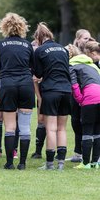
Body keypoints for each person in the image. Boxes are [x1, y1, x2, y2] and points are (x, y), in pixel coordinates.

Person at [0, 12, 35, 170]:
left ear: (4, 26)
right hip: (26, 85)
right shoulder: (27, 45)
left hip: (8, 85)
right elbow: (33, 68)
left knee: (10, 127)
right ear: (22, 27)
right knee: (24, 127)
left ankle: (9, 163)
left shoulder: (0, 45)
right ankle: (23, 163)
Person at [33, 22, 71, 170]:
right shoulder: (63, 49)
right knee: (62, 128)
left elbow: (38, 73)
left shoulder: (40, 50)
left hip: (51, 90)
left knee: (51, 128)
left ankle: (49, 163)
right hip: (66, 91)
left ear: (39, 38)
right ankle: (61, 163)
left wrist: (40, 78)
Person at [66, 44, 100, 169]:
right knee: (97, 131)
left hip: (91, 98)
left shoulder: (71, 66)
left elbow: (74, 85)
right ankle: (94, 163)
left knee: (86, 132)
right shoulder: (91, 65)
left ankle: (85, 163)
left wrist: (80, 100)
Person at [30, 40, 46, 159]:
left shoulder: (45, 58)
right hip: (41, 92)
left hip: (51, 90)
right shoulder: (32, 62)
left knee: (52, 122)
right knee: (40, 120)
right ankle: (38, 151)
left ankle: (55, 150)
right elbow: (34, 80)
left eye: (35, 45)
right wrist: (39, 98)